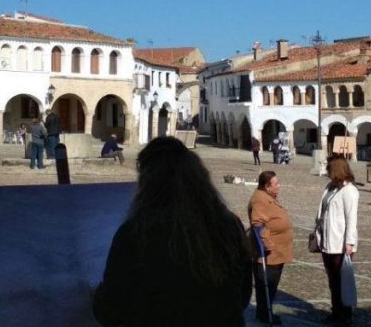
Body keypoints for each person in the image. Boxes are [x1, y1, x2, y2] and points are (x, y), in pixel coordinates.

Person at [93, 137, 252, 327]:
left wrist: (98, 295)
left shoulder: (136, 234)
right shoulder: (229, 226)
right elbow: (243, 296)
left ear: (147, 181)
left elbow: (112, 309)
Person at [316, 155, 359, 327]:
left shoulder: (349, 191)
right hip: (327, 241)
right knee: (333, 281)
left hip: (340, 242)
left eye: (329, 168)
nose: (326, 171)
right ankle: (336, 311)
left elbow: (351, 219)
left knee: (342, 281)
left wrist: (349, 243)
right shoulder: (330, 187)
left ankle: (345, 315)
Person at [248, 171, 294, 325]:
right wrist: (267, 244)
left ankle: (264, 312)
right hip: (269, 253)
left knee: (271, 285)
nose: (279, 186)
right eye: (276, 184)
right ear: (267, 186)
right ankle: (265, 314)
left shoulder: (268, 197)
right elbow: (258, 224)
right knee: (267, 286)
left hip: (277, 251)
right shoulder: (260, 200)